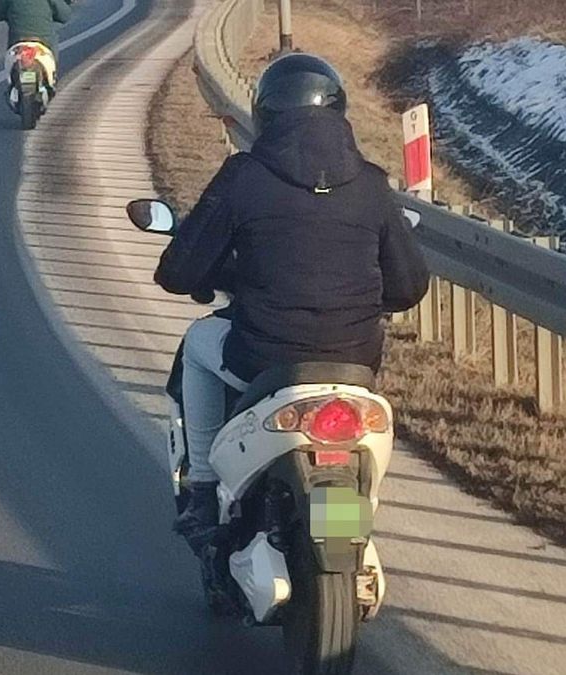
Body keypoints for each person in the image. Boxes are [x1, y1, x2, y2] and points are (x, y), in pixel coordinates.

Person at [153, 53, 430, 555]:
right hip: (353, 361)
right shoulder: (371, 184)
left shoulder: (244, 176)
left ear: (266, 115)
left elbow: (179, 272)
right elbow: (409, 286)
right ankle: (348, 535)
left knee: (198, 342)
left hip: (264, 356)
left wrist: (229, 276)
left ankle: (201, 485)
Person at [0, 0, 72, 52]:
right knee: (53, 43)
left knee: (13, 65)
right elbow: (65, 16)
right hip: (44, 42)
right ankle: (53, 74)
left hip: (17, 42)